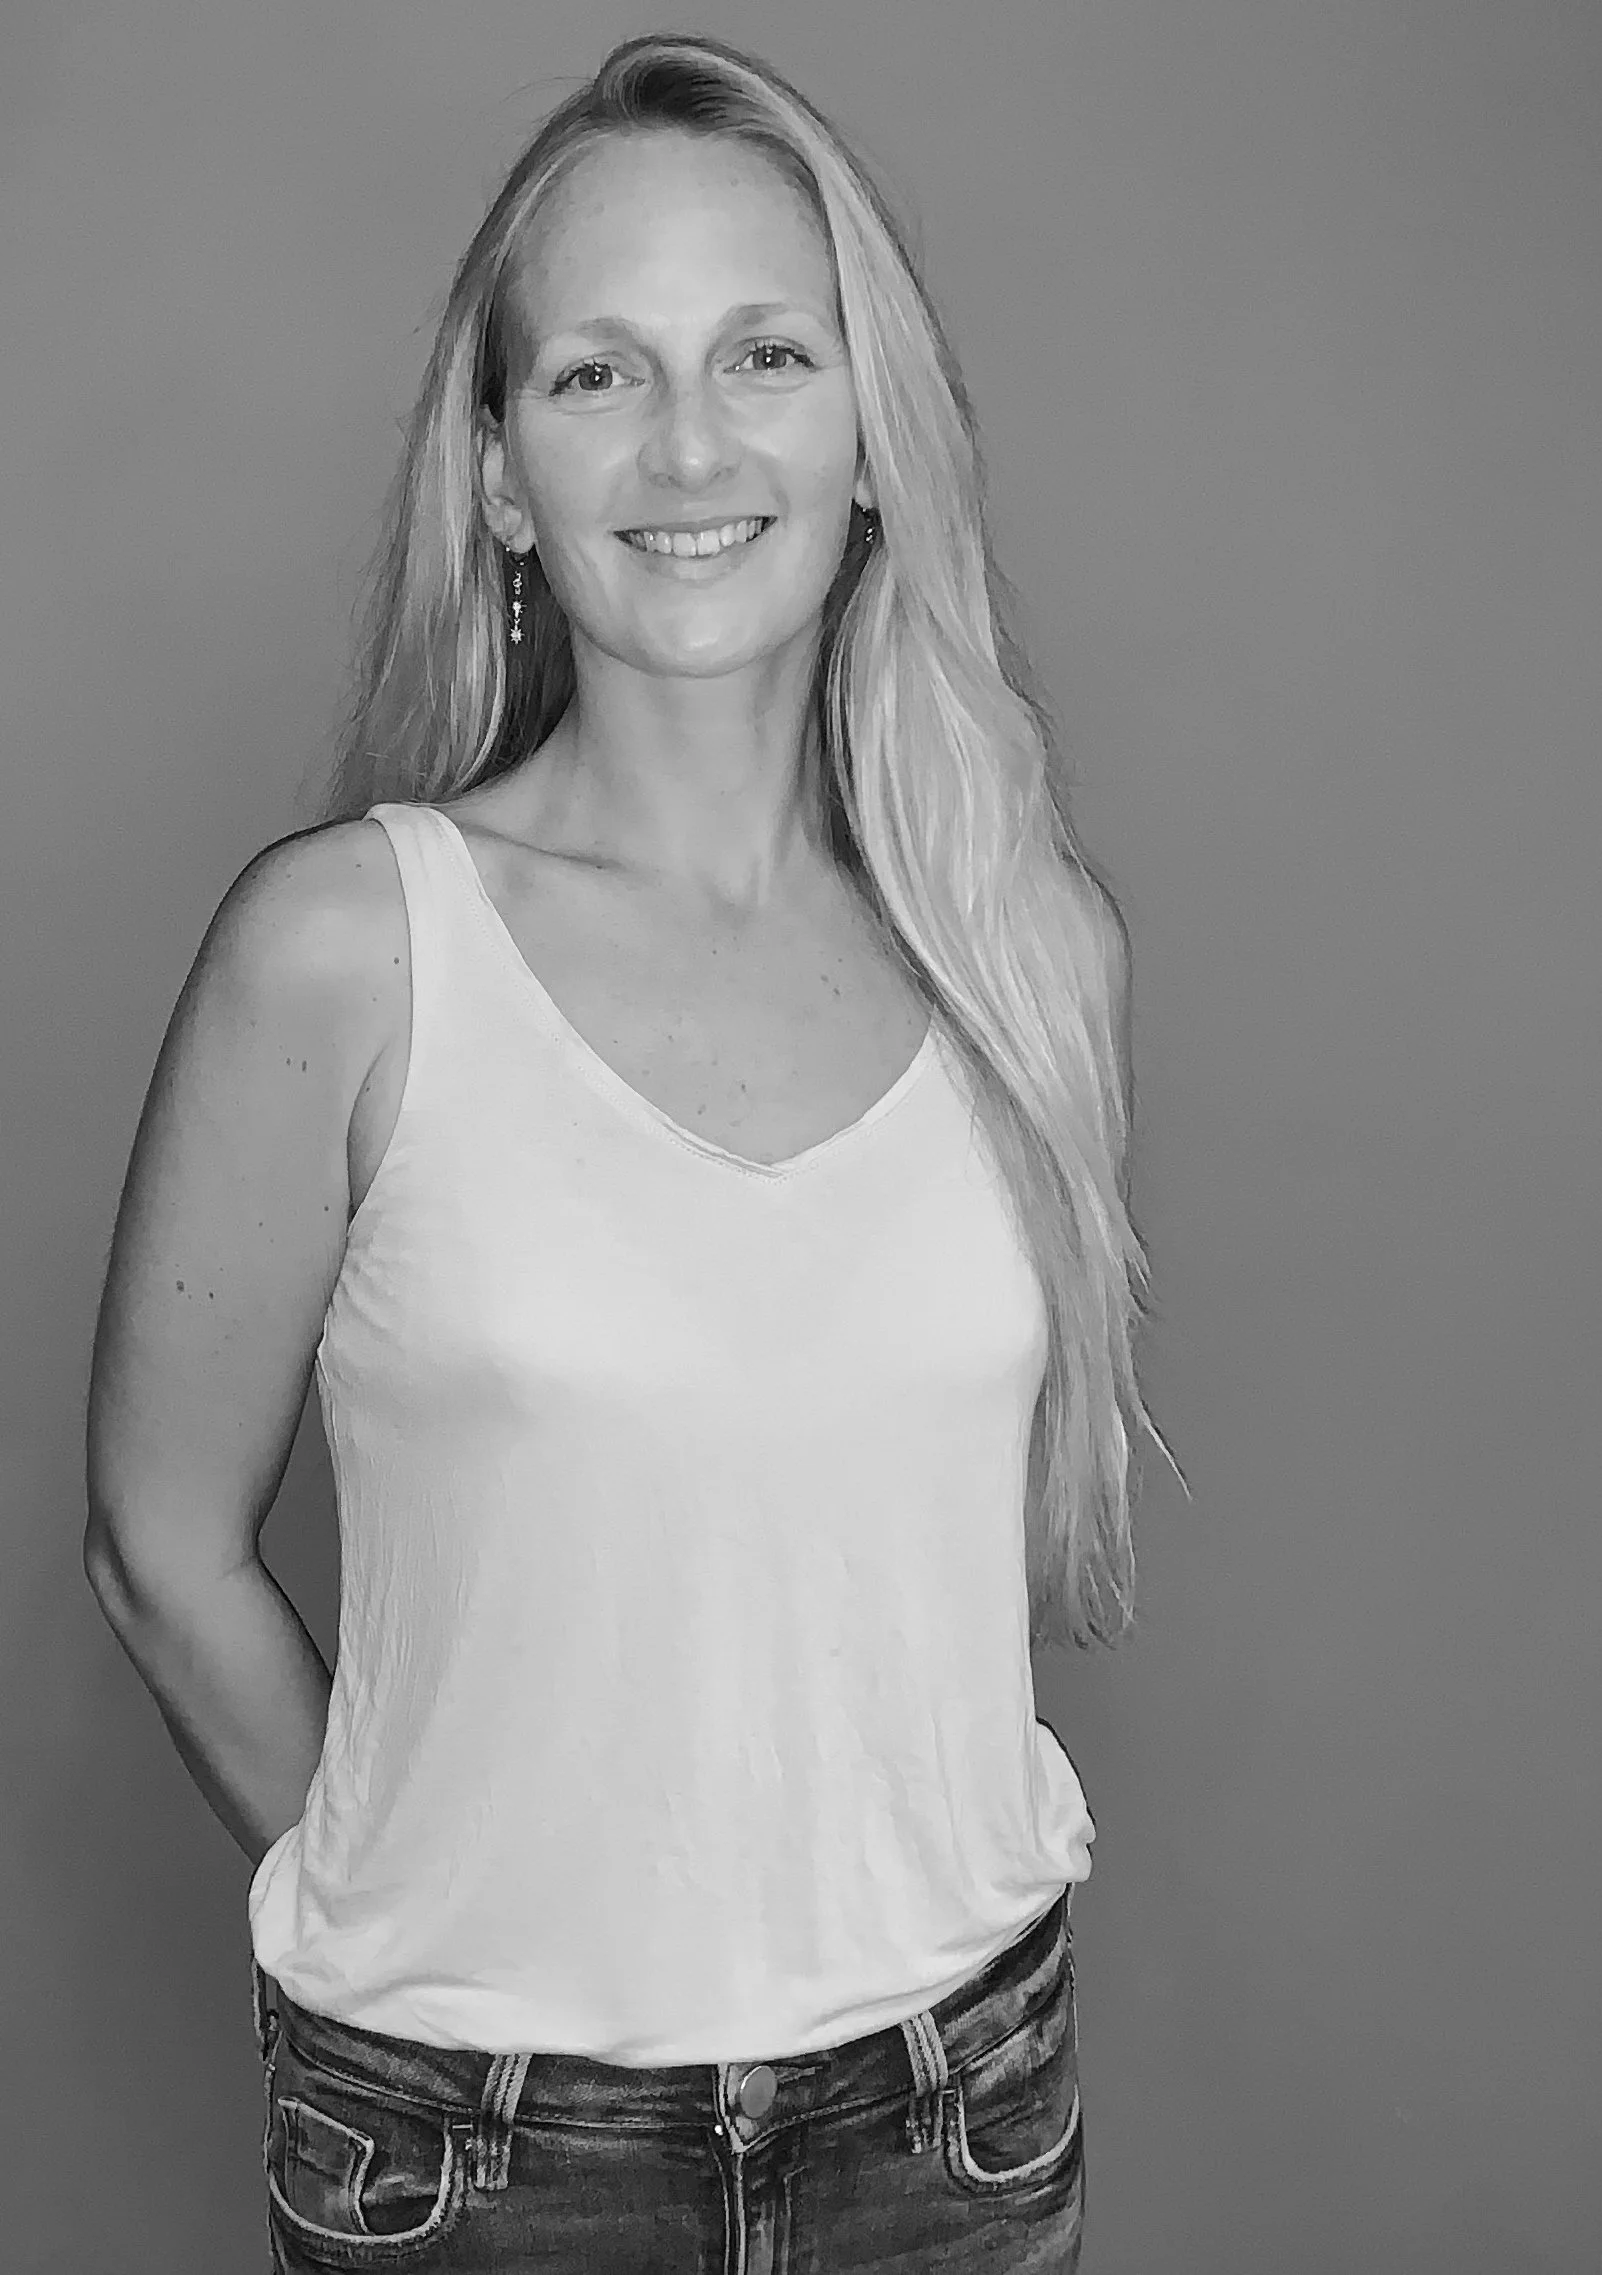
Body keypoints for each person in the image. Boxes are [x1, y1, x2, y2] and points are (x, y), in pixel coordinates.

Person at [83, 30, 1183, 2272]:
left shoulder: (1019, 949)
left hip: (953, 2139)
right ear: (499, 477)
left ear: (872, 431)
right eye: (595, 376)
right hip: (481, 2167)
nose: (690, 445)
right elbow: (155, 1543)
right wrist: (406, 1945)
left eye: (766, 354)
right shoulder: (347, 951)